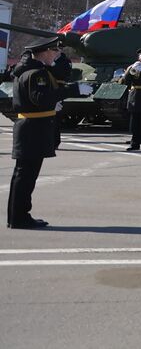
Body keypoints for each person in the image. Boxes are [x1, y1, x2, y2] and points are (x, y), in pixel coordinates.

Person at [8, 39, 92, 228]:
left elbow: (34, 99)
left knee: (23, 175)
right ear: (44, 52)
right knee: (26, 176)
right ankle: (20, 217)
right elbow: (40, 98)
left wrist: (52, 102)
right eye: (54, 50)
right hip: (33, 129)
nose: (56, 54)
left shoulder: (26, 70)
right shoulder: (37, 73)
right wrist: (73, 89)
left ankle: (17, 216)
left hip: (30, 127)